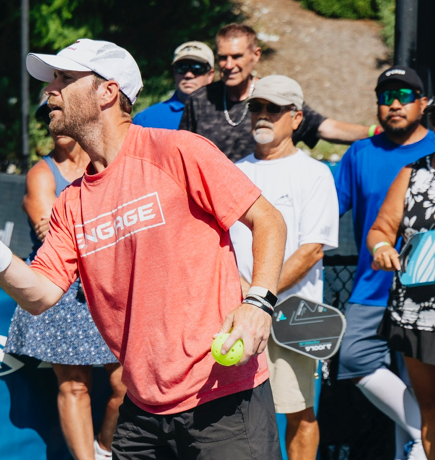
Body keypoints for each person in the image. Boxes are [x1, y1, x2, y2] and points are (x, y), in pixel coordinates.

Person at [0, 38, 288, 459]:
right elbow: (41, 294)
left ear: (107, 91)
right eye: (53, 79)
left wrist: (259, 302)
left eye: (65, 78)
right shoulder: (72, 202)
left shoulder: (177, 151)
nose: (50, 90)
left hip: (223, 399)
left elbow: (268, 219)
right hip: (141, 411)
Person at [4, 103, 126, 460]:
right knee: (74, 385)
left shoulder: (106, 162)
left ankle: (104, 449)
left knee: (126, 384)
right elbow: (50, 230)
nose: (53, 125)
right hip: (61, 288)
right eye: (44, 119)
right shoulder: (41, 174)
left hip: (104, 285)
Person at [229, 75, 339, 460]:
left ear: (296, 118)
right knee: (237, 417)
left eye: (273, 109)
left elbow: (311, 252)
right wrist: (245, 297)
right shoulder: (230, 171)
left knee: (300, 414)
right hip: (237, 314)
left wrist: (259, 296)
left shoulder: (315, 174)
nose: (262, 115)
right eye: (256, 107)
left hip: (294, 320)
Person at [335, 66, 435, 460]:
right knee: (353, 356)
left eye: (405, 96)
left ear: (423, 103)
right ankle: (420, 434)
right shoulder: (362, 153)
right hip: (374, 287)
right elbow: (331, 210)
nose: (394, 104)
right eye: (386, 96)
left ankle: (417, 442)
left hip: (424, 300)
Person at [179, 23, 375, 162]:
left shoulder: (275, 95)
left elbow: (325, 128)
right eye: (223, 58)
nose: (229, 65)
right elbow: (182, 153)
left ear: (256, 55)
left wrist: (375, 132)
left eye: (237, 56)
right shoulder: (200, 100)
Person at [368, 98, 435, 458]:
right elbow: (381, 229)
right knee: (431, 414)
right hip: (416, 317)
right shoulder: (412, 174)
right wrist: (381, 248)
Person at [132, 41, 214, 129]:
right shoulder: (145, 120)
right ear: (174, 72)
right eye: (182, 67)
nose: (188, 75)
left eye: (197, 68)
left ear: (210, 75)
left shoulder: (226, 115)